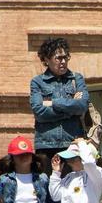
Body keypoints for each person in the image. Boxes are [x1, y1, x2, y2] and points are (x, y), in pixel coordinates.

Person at [28, 38, 89, 166]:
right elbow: (39, 112)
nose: (63, 62)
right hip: (46, 145)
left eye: (65, 58)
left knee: (73, 185)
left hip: (73, 143)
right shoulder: (37, 82)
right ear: (46, 59)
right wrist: (70, 110)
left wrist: (52, 103)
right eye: (58, 58)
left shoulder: (76, 79)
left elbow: (82, 105)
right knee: (46, 184)